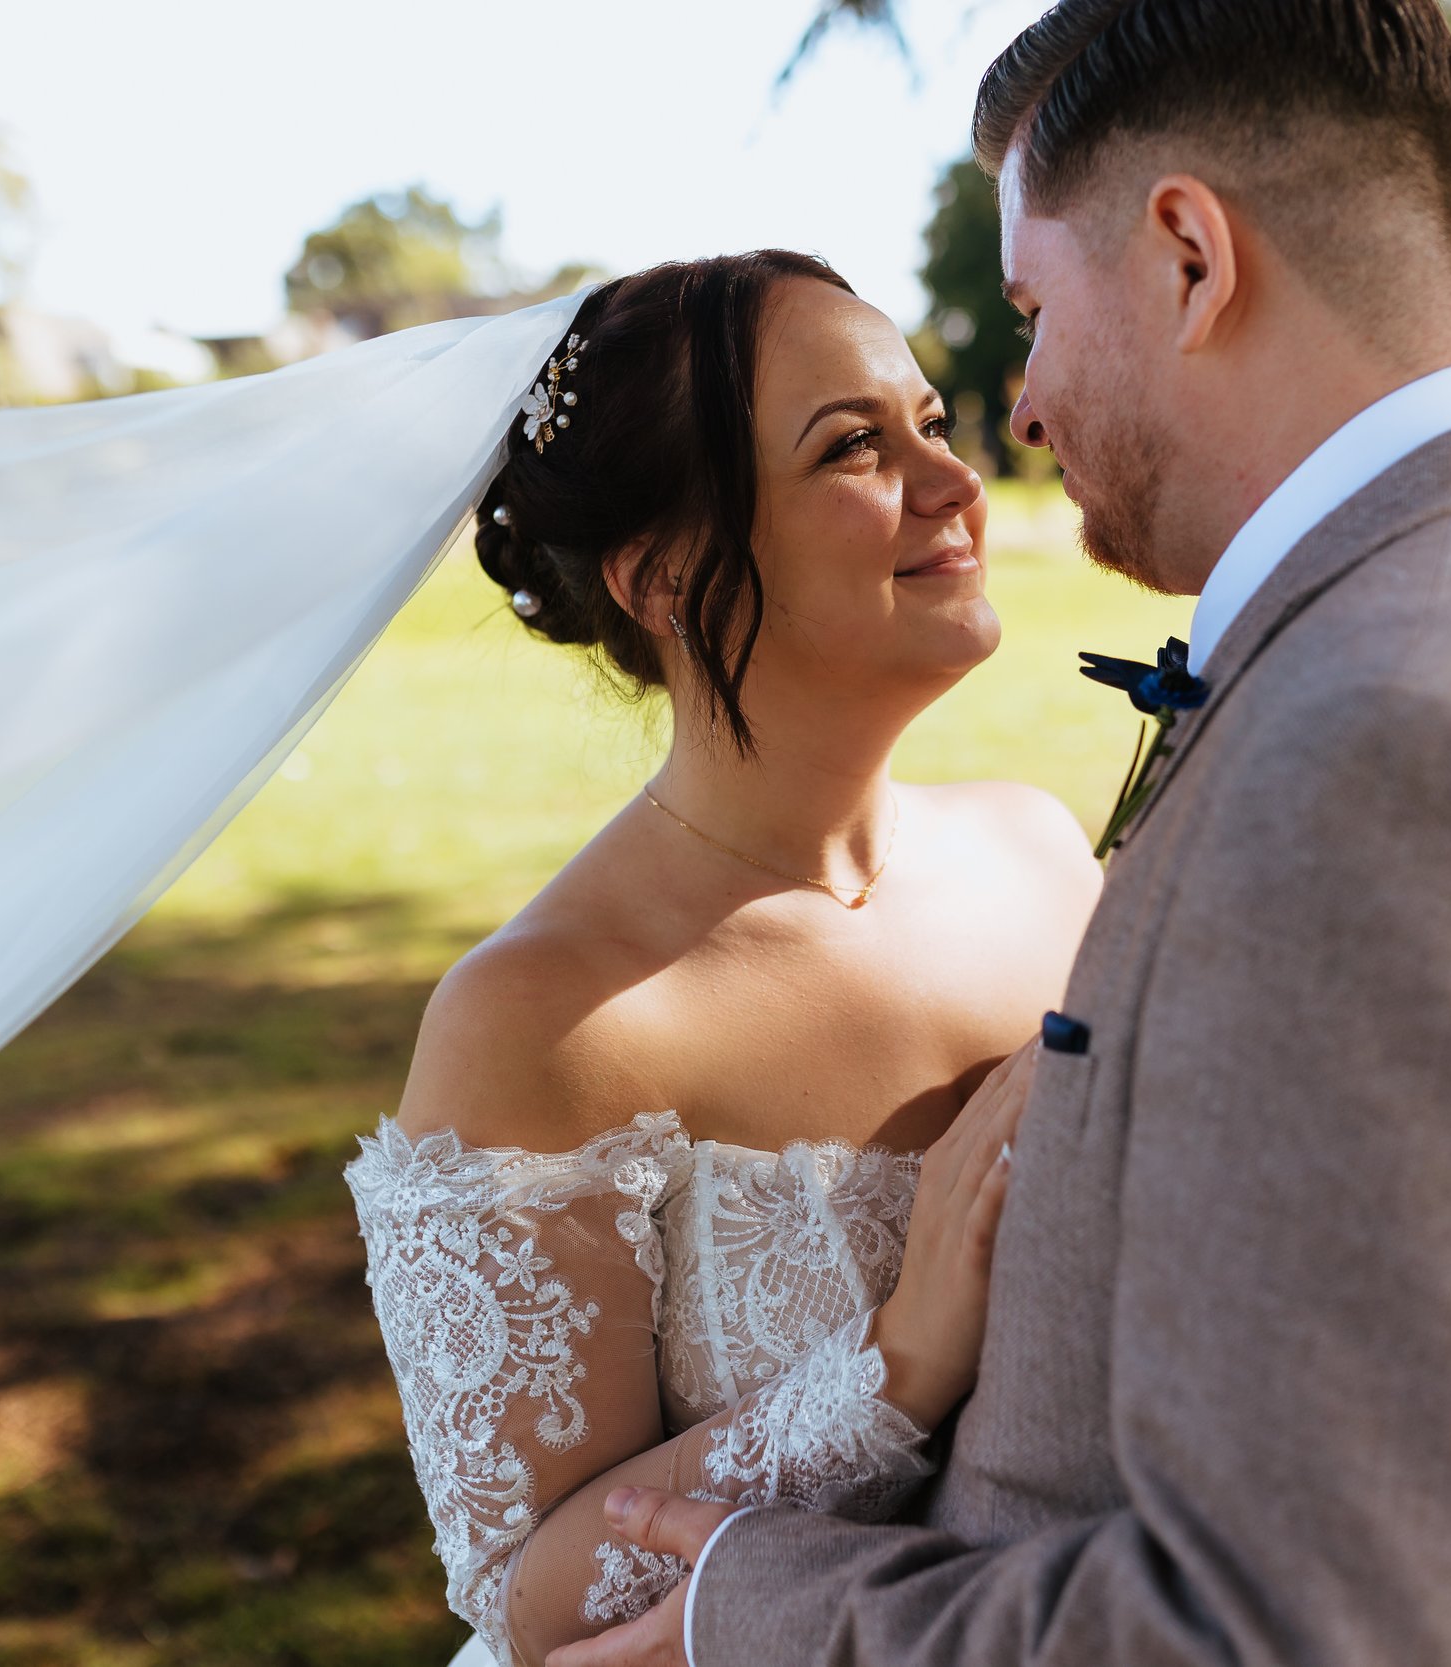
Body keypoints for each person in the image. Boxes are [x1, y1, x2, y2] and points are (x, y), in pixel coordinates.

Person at [561, 2, 1451, 1665]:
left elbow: (1314, 1628)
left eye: (1031, 313)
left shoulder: (1385, 752)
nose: (1016, 412)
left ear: (1186, 254)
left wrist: (748, 1617)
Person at [345, 249, 1103, 1667]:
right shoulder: (547, 1016)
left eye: (933, 424)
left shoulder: (1049, 859)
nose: (954, 485)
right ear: (664, 573)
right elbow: (531, 1601)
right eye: (854, 449)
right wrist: (899, 1365)